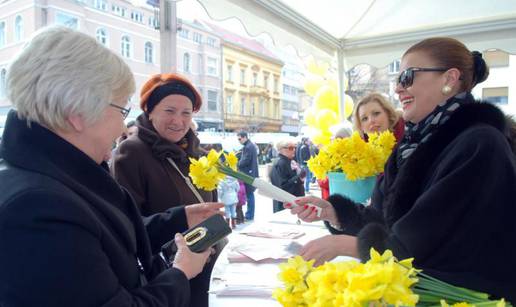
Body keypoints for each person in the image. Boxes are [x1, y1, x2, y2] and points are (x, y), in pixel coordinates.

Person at [0, 26, 221, 306]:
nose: (122, 127)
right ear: (77, 113)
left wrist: (178, 218)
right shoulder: (36, 209)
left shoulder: (60, 174)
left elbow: (110, 238)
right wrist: (180, 273)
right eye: (120, 110)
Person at [286, 37, 516, 302]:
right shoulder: (412, 146)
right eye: (398, 78)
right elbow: (384, 221)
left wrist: (348, 245)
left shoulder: (480, 143)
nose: (397, 89)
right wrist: (336, 213)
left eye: (407, 77)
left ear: (450, 79)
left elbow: (423, 243)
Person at [111, 73, 222, 307]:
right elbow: (128, 225)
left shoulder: (199, 155)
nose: (178, 121)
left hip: (209, 265)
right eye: (169, 111)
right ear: (150, 112)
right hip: (167, 276)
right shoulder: (132, 153)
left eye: (186, 113)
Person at [269, 139, 306, 213]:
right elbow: (282, 187)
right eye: (291, 148)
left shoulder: (288, 161)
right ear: (281, 150)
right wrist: (298, 177)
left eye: (294, 147)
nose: (294, 150)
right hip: (285, 206)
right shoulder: (280, 163)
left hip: (292, 203)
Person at [236, 131, 259, 221]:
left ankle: (249, 215)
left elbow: (245, 161)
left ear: (245, 137)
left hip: (248, 174)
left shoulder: (248, 147)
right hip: (251, 173)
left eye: (239, 139)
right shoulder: (250, 145)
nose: (239, 141)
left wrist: (237, 164)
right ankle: (249, 214)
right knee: (250, 194)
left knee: (249, 194)